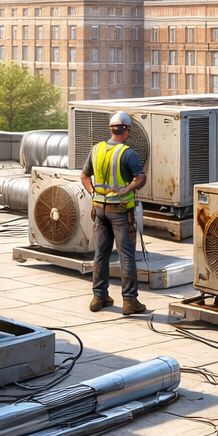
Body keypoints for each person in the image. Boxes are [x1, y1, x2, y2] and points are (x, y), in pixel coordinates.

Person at [80, 110, 148, 315]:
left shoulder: (96, 150)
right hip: (120, 211)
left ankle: (99, 297)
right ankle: (130, 301)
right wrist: (128, 188)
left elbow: (84, 176)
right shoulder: (127, 153)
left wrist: (93, 192)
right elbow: (140, 178)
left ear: (111, 129)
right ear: (126, 130)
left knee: (101, 254)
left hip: (99, 209)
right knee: (126, 255)